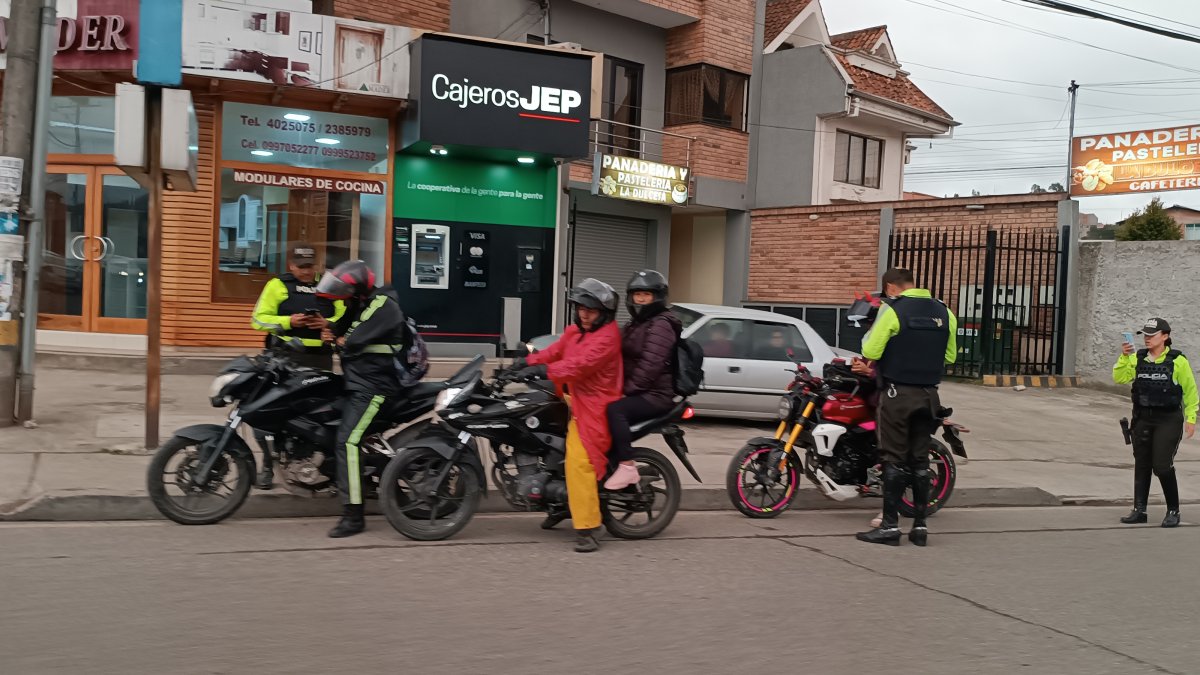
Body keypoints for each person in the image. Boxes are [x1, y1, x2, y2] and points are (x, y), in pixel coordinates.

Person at [509, 278, 623, 553]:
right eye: (580, 307)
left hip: (594, 407)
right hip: (568, 399)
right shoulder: (575, 331)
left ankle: (588, 527)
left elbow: (578, 366)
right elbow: (554, 352)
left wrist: (541, 372)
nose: (584, 313)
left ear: (604, 313)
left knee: (578, 463)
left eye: (591, 309)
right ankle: (560, 504)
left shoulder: (607, 338)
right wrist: (524, 362)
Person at [856, 268, 957, 547]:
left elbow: (872, 351)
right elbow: (950, 356)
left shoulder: (893, 310)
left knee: (894, 459)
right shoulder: (944, 311)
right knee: (920, 460)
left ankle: (889, 527)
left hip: (898, 394)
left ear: (890, 287)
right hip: (929, 396)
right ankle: (920, 528)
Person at [316, 260, 411, 539]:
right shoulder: (361, 302)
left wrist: (339, 338)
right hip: (358, 382)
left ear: (357, 288)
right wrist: (331, 329)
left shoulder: (384, 305)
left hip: (374, 386)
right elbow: (345, 326)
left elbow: (354, 338)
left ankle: (353, 515)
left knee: (348, 441)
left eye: (345, 290)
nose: (341, 297)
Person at [1113, 318, 1198, 528]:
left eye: (1152, 335)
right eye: (1146, 335)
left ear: (1165, 337)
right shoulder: (1137, 358)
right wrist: (1124, 357)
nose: (1148, 339)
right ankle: (1139, 510)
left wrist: (1192, 418)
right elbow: (1120, 378)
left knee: (1161, 464)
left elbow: (1190, 390)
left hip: (1168, 419)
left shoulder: (1178, 361)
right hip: (1142, 418)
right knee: (1142, 463)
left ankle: (1173, 510)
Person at [605, 270, 681, 491]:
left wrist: (625, 391)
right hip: (641, 390)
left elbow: (651, 365)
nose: (640, 299)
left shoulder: (661, 325)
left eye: (645, 294)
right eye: (636, 294)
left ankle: (627, 466)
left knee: (615, 410)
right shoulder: (636, 323)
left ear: (657, 297)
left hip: (656, 394)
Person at [251, 244, 345, 370]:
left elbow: (345, 317)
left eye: (310, 266)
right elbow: (258, 320)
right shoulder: (277, 285)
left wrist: (327, 323)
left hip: (321, 356)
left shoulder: (330, 285)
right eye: (301, 267)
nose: (306, 271)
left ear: (316, 265)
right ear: (291, 266)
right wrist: (289, 322)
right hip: (286, 355)